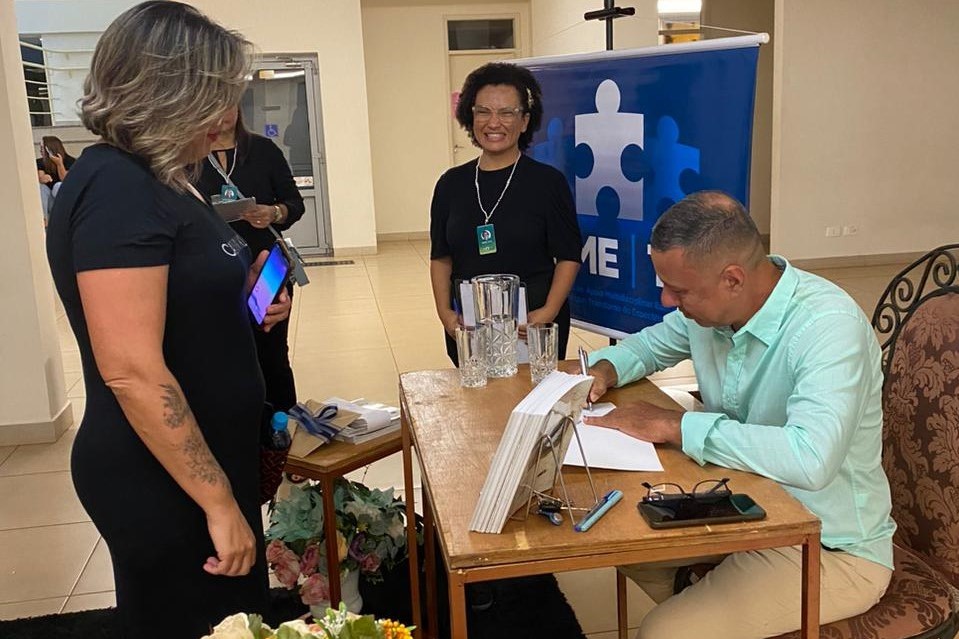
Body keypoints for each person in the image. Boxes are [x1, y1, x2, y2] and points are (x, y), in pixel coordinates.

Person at [44, 3, 289, 637]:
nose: (226, 114)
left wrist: (243, 304)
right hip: (161, 478)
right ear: (168, 94)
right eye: (215, 95)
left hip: (200, 463)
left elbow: (176, 303)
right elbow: (130, 370)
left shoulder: (164, 178)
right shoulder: (117, 189)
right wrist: (217, 501)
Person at [580, 191, 896, 639]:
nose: (667, 299)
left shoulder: (827, 327)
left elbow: (811, 458)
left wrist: (675, 424)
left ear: (732, 279)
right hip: (746, 507)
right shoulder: (711, 312)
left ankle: (702, 615)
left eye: (680, 290)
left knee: (664, 633)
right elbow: (650, 345)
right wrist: (606, 369)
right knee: (620, 542)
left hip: (831, 544)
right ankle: (710, 607)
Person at [430, 62, 581, 365]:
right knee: (476, 392)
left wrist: (549, 312)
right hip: (470, 324)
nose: (494, 122)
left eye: (507, 113)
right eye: (483, 111)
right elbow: (441, 257)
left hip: (533, 324)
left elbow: (569, 256)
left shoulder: (547, 182)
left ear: (524, 121)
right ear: (470, 116)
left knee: (533, 394)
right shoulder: (451, 184)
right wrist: (445, 314)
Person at [194, 108, 305, 412]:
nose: (223, 112)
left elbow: (295, 203)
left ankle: (282, 426)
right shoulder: (189, 157)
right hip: (215, 273)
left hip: (266, 266)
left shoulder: (263, 150)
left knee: (272, 352)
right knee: (226, 358)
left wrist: (274, 212)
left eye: (229, 103)